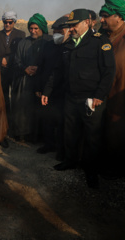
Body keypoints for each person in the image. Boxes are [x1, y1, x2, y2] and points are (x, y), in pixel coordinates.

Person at [53, 9, 115, 189]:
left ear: (87, 23)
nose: (71, 29)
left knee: (92, 137)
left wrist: (99, 95)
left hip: (91, 100)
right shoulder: (69, 44)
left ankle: (91, 171)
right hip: (71, 98)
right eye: (69, 26)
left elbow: (108, 71)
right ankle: (70, 161)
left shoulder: (100, 42)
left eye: (74, 25)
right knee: (70, 132)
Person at [12, 13, 52, 142]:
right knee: (24, 109)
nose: (33, 31)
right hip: (25, 80)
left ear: (42, 28)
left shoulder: (49, 42)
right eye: (31, 28)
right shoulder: (23, 42)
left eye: (36, 28)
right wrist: (25, 69)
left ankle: (39, 137)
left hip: (43, 81)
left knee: (41, 109)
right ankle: (23, 134)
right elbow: (16, 60)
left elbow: (52, 62)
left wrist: (39, 68)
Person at [99, 0, 125, 177]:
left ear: (120, 17)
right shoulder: (101, 36)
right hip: (102, 96)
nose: (102, 20)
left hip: (120, 95)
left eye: (106, 16)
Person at [39, 16, 71, 159]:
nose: (57, 34)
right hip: (47, 88)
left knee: (62, 121)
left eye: (60, 31)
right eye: (55, 31)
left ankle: (61, 149)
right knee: (47, 118)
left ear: (68, 31)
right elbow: (41, 67)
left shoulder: (70, 46)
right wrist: (39, 88)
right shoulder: (48, 45)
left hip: (63, 90)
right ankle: (48, 144)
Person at [0, 11, 25, 126]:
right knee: (3, 97)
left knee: (15, 98)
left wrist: (9, 59)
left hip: (16, 71)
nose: (7, 24)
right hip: (2, 71)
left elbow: (21, 53)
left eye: (10, 22)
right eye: (5, 22)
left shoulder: (21, 35)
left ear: (14, 22)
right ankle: (5, 122)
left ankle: (15, 124)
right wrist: (1, 61)